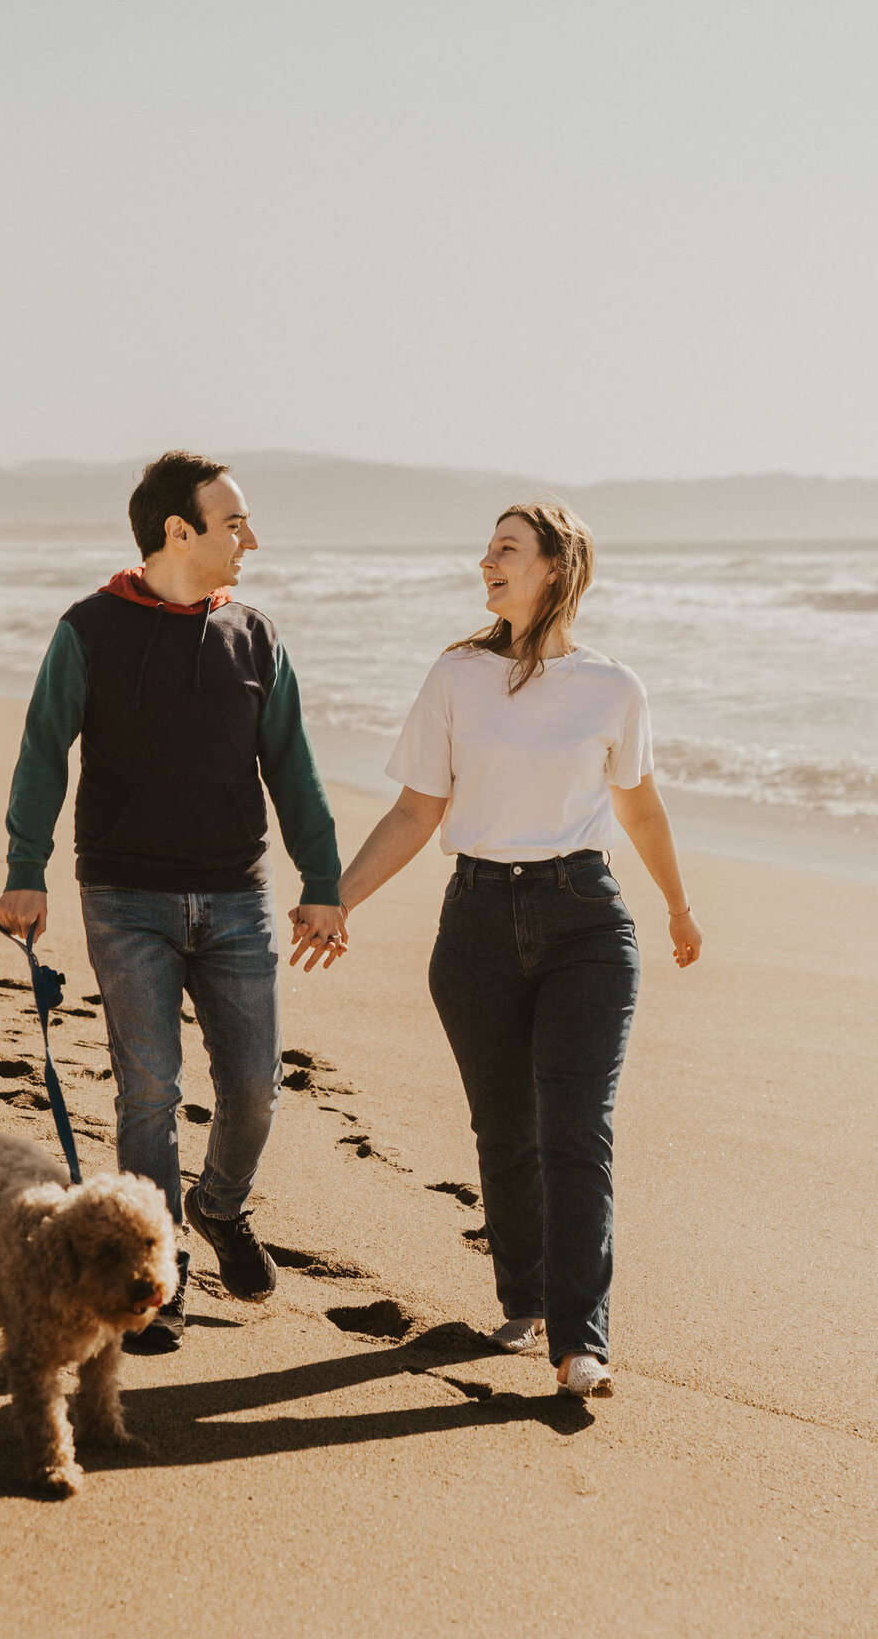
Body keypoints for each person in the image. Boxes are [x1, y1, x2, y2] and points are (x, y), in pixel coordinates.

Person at [299, 501, 703, 1396]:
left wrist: (677, 905)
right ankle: (522, 1299)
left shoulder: (613, 688)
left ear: (554, 568)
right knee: (505, 1131)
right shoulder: (456, 676)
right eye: (487, 549)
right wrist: (335, 898)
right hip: (476, 921)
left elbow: (637, 805)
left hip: (587, 922)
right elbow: (417, 810)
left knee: (577, 1128)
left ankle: (580, 1340)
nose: (487, 562)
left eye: (507, 550)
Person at [0, 450, 347, 1353]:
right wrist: (24, 866)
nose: (251, 540)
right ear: (177, 532)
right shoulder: (88, 628)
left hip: (237, 894)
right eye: (234, 523)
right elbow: (44, 751)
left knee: (255, 1088)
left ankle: (220, 1206)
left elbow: (294, 770)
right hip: (124, 893)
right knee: (148, 1090)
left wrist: (323, 884)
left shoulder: (256, 637)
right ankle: (160, 1275)